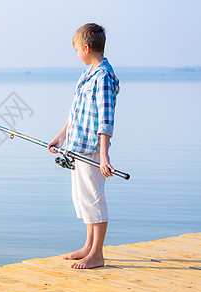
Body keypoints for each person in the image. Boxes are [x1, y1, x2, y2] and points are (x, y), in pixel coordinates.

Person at [47, 23, 120, 269]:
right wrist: (61, 136)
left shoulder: (104, 77)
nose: (77, 54)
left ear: (87, 48)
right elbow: (75, 111)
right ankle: (88, 246)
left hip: (91, 149)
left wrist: (104, 155)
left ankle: (97, 254)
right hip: (77, 145)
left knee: (94, 199)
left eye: (77, 50)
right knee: (82, 199)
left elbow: (106, 119)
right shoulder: (87, 73)